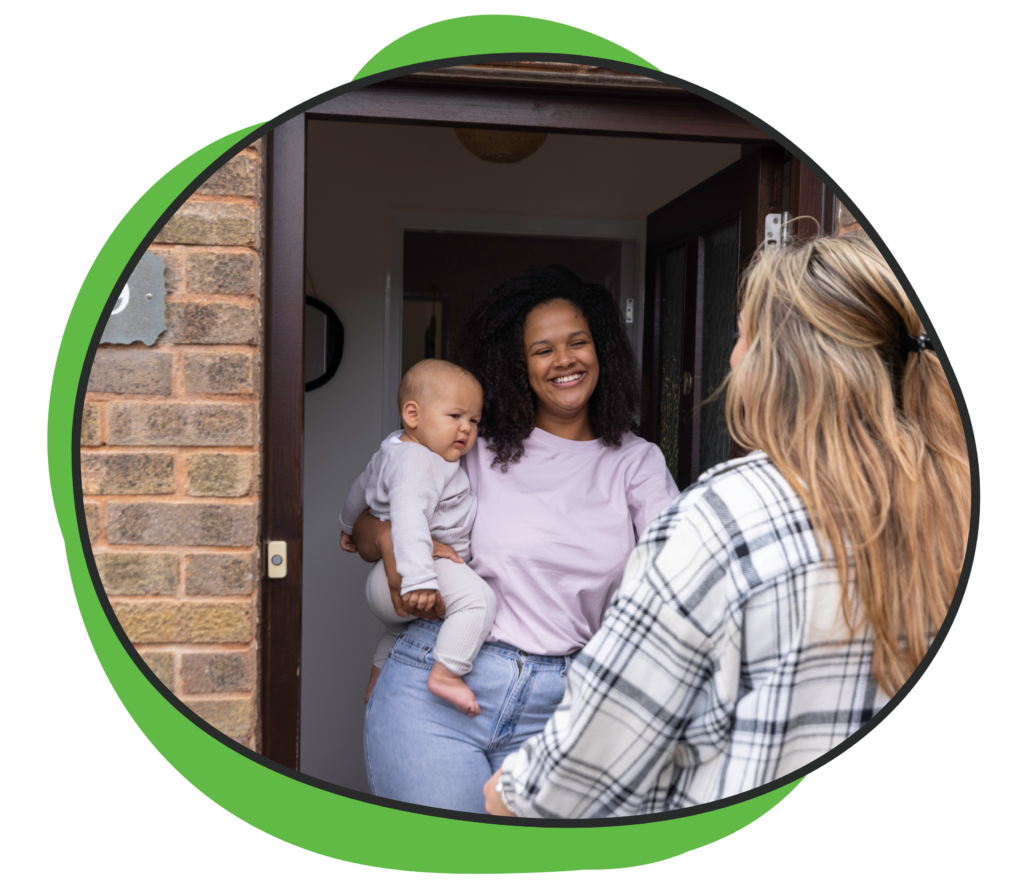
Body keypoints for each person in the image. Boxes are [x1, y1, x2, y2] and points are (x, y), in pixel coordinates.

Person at [483, 230, 970, 818]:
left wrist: (512, 792)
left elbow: (592, 760)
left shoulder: (727, 518)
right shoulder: (953, 497)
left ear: (776, 360)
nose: (731, 354)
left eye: (741, 335)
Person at [350, 265, 680, 814]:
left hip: (566, 710)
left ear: (602, 351)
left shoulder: (637, 463)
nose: (565, 360)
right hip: (440, 689)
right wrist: (389, 539)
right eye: (542, 349)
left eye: (578, 342)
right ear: (515, 364)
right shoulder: (474, 447)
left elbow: (680, 578)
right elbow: (364, 523)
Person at [339, 359, 495, 716]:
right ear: (412, 414)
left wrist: (347, 526)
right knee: (478, 602)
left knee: (400, 631)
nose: (467, 429)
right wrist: (419, 580)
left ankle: (377, 680)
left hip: (392, 578)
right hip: (413, 571)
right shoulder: (419, 464)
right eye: (455, 416)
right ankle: (447, 675)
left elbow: (358, 491)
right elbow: (408, 522)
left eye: (474, 420)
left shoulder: (393, 450)